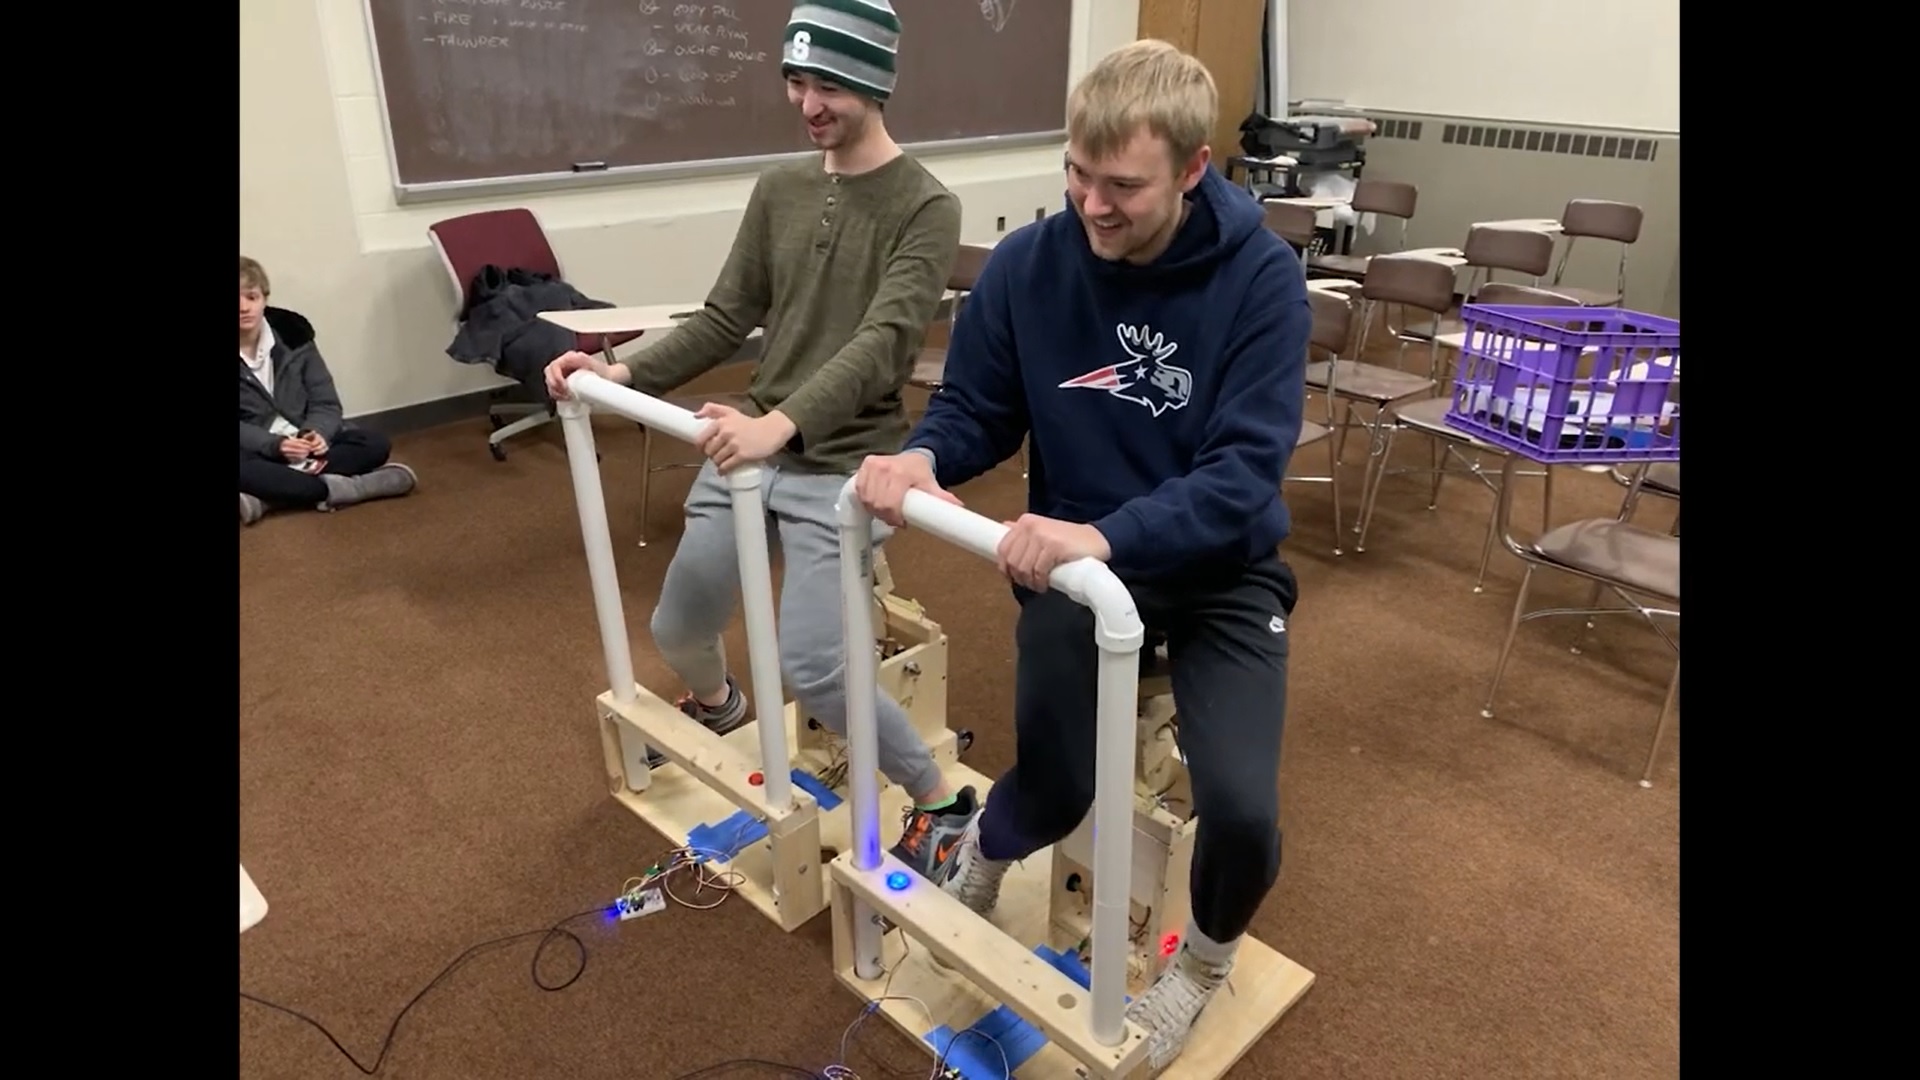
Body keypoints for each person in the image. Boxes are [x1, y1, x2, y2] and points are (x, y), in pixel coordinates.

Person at [851, 39, 1309, 1070]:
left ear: (1193, 170)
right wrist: (925, 456)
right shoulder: (1030, 265)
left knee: (1242, 812)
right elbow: (978, 408)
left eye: (1123, 187)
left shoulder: (1263, 280)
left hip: (1219, 574)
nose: (1093, 205)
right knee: (1056, 784)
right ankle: (985, 847)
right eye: (1077, 174)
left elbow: (1243, 476)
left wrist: (1106, 534)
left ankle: (1203, 964)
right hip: (1076, 572)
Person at [543, 0, 974, 879]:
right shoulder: (780, 189)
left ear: (874, 86)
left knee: (816, 664)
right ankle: (719, 705)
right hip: (749, 449)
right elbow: (723, 316)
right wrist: (616, 369)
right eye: (796, 81)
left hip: (842, 468)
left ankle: (939, 801)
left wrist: (779, 425)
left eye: (828, 86)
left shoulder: (927, 205)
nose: (807, 104)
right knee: (676, 627)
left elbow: (884, 341)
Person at [240, 256, 417, 525]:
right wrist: (276, 445)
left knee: (374, 443)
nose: (243, 307)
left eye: (251, 297)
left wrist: (316, 433)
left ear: (264, 298)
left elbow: (325, 402)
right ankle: (358, 488)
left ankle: (269, 499)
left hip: (306, 446)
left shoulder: (294, 336)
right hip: (258, 450)